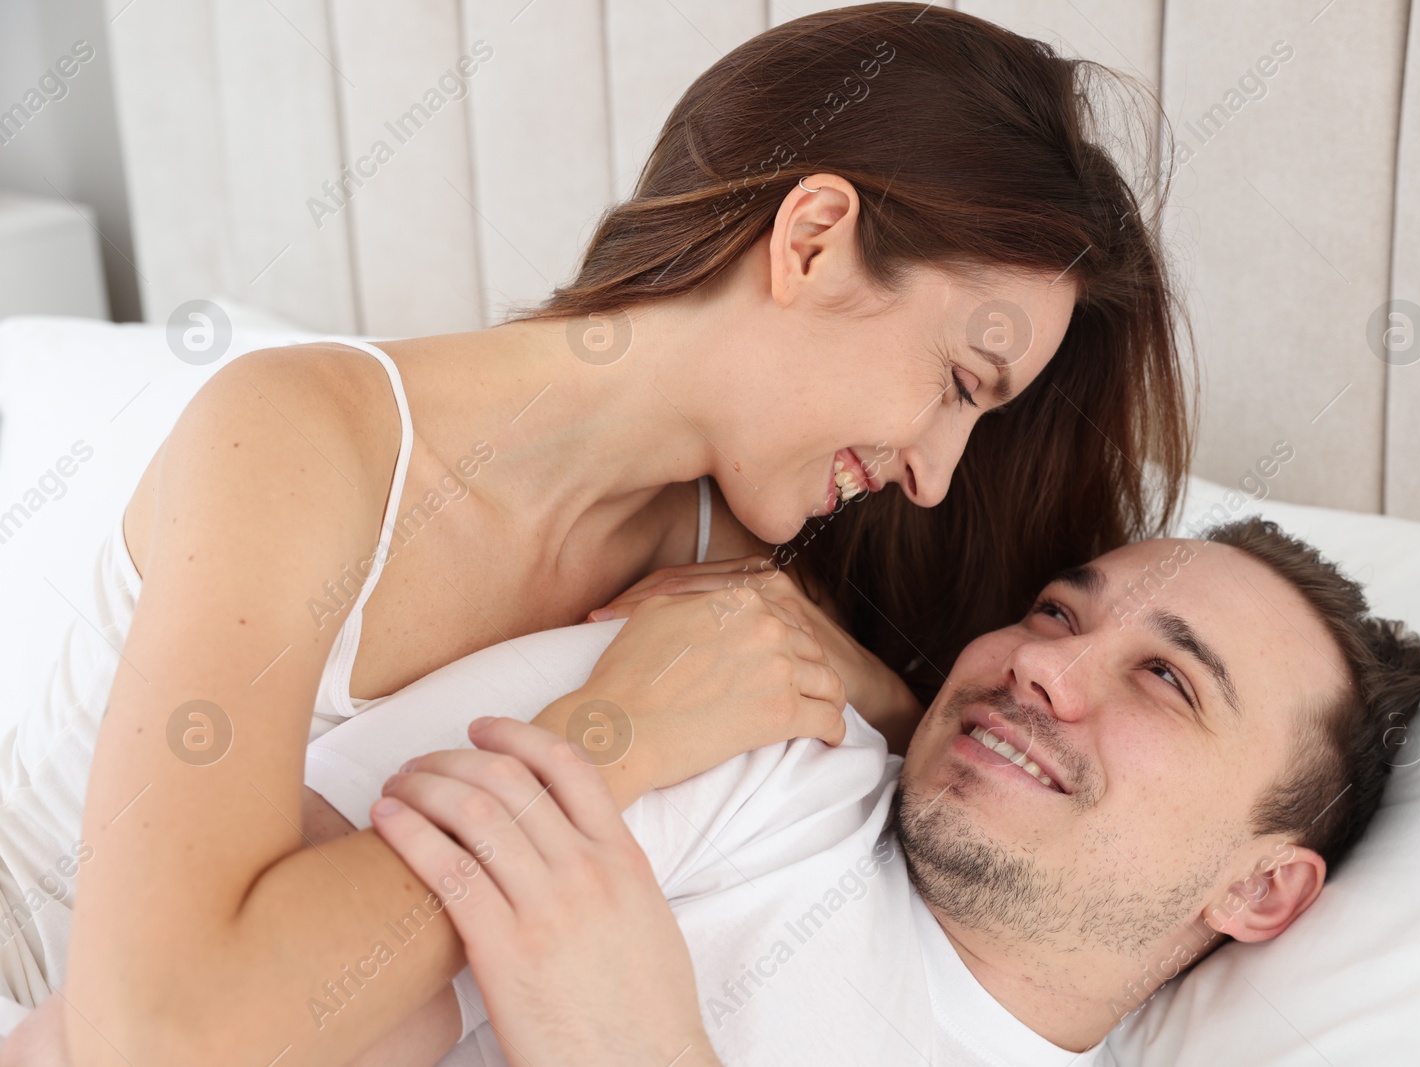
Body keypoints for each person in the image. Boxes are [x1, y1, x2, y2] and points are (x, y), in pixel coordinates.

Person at [9, 5, 1190, 1064]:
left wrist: (863, 682)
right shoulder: (297, 439)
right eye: (956, 379)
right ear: (814, 236)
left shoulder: (744, 566)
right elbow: (152, 1037)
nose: (934, 475)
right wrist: (611, 738)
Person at [266, 517, 1420, 1065]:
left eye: (1166, 679)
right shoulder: (732, 741)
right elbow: (184, 1025)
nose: (1041, 659)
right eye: (1054, 609)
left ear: (1262, 887)